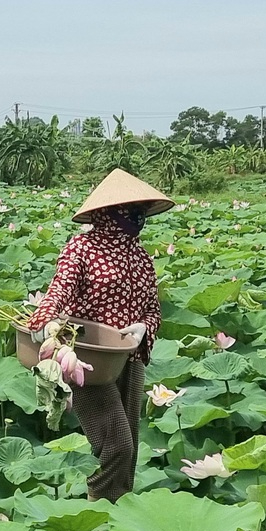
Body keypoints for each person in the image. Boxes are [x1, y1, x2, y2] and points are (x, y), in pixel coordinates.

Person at [28, 169, 173, 500]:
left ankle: (116, 518)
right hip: (88, 355)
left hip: (129, 356)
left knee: (130, 447)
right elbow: (60, 289)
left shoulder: (140, 256)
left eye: (141, 211)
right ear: (109, 212)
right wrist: (47, 320)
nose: (138, 218)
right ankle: (99, 511)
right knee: (117, 443)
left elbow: (151, 308)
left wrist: (145, 328)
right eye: (131, 211)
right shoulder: (82, 247)